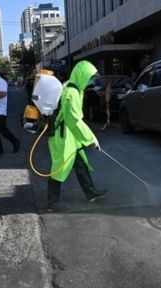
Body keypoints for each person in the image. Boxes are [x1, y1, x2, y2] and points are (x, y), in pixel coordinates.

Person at [47, 60, 108, 212]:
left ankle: (90, 192)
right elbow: (74, 120)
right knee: (59, 168)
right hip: (63, 136)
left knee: (80, 163)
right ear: (82, 76)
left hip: (69, 135)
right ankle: (51, 203)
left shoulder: (73, 86)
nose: (91, 81)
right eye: (89, 77)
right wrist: (91, 139)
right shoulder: (71, 93)